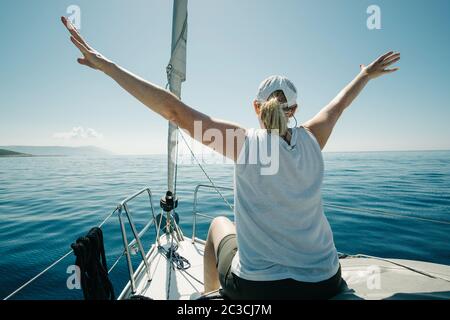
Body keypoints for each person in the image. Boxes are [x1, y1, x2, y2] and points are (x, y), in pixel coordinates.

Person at [61, 16, 400, 299]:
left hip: (258, 290)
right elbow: (340, 103)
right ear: (295, 110)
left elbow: (173, 110)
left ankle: (213, 297)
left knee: (219, 226)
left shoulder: (242, 143)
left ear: (256, 107)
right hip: (324, 282)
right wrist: (364, 75)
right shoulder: (313, 139)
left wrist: (107, 66)